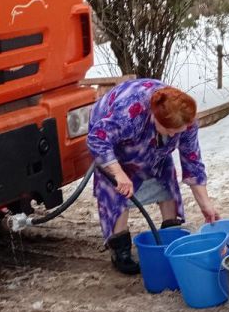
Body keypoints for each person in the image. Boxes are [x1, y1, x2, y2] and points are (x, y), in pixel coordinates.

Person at [86, 79, 220, 274]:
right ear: (154, 118)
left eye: (178, 131)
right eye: (170, 131)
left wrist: (206, 205)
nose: (175, 135)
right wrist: (118, 173)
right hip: (111, 141)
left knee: (166, 179)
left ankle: (170, 235)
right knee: (119, 189)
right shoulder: (130, 113)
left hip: (152, 144)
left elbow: (192, 160)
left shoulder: (185, 119)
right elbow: (97, 139)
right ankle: (120, 248)